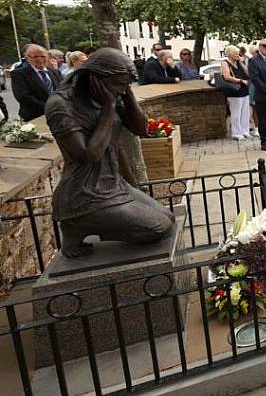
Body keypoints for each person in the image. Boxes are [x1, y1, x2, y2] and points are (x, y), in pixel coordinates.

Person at [45, 48, 175, 258]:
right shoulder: (61, 105)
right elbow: (90, 154)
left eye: (126, 84)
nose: (122, 89)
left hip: (114, 184)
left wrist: (127, 93)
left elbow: (141, 130)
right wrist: (108, 107)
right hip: (85, 193)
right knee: (158, 228)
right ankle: (77, 222)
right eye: (119, 84)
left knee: (168, 217)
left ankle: (89, 224)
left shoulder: (112, 92)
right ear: (96, 78)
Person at [12, 44, 62, 121]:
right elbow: (24, 97)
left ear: (47, 57)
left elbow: (63, 90)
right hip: (34, 117)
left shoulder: (55, 72)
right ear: (27, 58)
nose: (39, 59)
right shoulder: (19, 74)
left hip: (58, 115)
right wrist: (49, 108)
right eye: (35, 56)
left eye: (43, 56)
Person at [220, 45, 251, 141]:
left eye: (238, 53)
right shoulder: (225, 63)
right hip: (234, 91)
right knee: (236, 112)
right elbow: (227, 77)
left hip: (244, 90)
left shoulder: (239, 63)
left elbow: (248, 73)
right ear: (229, 54)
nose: (237, 55)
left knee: (245, 112)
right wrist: (240, 81)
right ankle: (236, 133)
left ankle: (245, 131)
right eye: (235, 53)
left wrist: (241, 63)